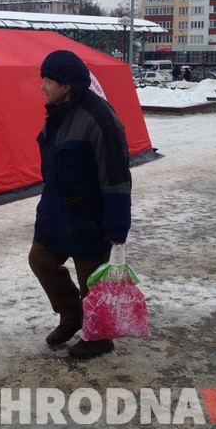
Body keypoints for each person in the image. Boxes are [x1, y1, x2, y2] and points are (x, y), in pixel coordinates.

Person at [28, 50, 132, 360]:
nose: (42, 87)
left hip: (89, 217)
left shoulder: (99, 120)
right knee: (41, 260)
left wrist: (116, 227)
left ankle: (100, 338)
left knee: (93, 281)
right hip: (56, 211)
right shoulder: (58, 112)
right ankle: (71, 315)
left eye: (48, 81)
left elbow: (116, 176)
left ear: (66, 86)